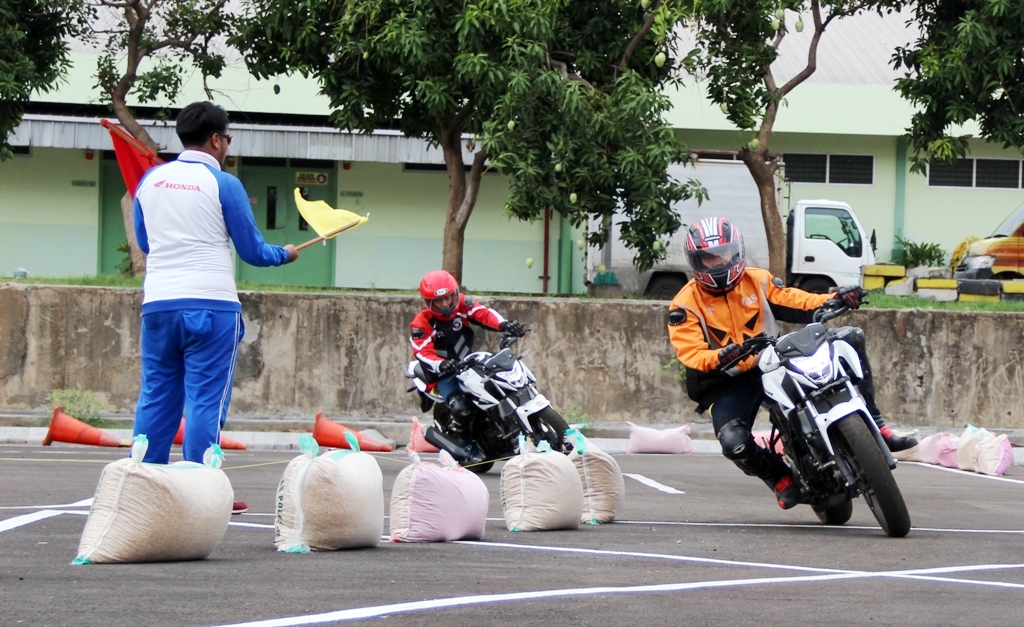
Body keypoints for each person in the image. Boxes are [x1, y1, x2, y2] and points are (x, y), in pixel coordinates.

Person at [667, 216, 916, 510]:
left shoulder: (757, 280)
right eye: (707, 258)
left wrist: (836, 298)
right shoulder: (683, 304)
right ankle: (780, 478)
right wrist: (721, 355)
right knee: (734, 441)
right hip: (726, 381)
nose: (717, 263)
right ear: (695, 262)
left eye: (723, 254)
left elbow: (794, 299)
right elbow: (691, 353)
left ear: (737, 252)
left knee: (850, 338)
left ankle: (876, 426)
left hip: (772, 360)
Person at [131, 101, 298, 514]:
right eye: (228, 137)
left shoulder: (150, 180)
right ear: (215, 140)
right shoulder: (223, 183)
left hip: (159, 305)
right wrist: (286, 254)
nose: (228, 144)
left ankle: (142, 488)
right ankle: (199, 493)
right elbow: (253, 251)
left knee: (156, 395)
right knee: (205, 400)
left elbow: (147, 243)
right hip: (210, 305)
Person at [409, 270, 526, 458]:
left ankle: (509, 431)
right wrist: (442, 365)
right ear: (429, 303)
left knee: (500, 388)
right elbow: (422, 352)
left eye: (448, 298)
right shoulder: (421, 324)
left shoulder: (463, 304)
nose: (446, 304)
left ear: (455, 294)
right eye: (439, 301)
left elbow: (483, 313)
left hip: (467, 363)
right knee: (460, 408)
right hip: (442, 373)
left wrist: (505, 325)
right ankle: (467, 445)